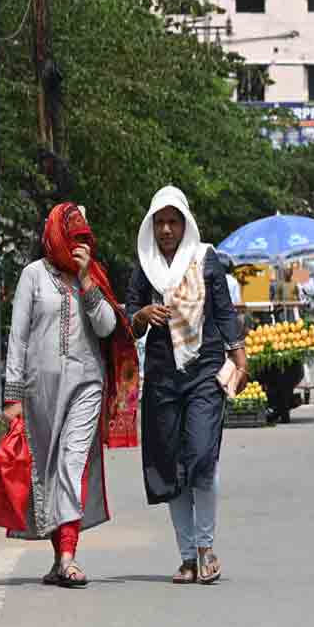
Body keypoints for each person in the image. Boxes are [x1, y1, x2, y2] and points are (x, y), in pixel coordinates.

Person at [1, 203, 139, 589]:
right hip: (38, 391)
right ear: (55, 236)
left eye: (84, 239)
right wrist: (12, 396)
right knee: (44, 469)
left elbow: (109, 326)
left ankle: (68, 556)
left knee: (72, 464)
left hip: (86, 385)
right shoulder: (32, 276)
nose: (78, 245)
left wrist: (87, 280)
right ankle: (58, 557)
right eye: (72, 237)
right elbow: (18, 338)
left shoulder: (91, 276)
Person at [127, 186, 247, 585]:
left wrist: (239, 358)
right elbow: (129, 318)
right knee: (170, 467)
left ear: (185, 224)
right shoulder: (144, 264)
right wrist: (142, 313)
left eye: (172, 221)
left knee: (200, 458)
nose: (165, 230)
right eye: (159, 222)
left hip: (204, 370)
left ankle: (207, 549)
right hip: (161, 376)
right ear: (150, 226)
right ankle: (187, 559)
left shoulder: (205, 258)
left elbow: (225, 312)